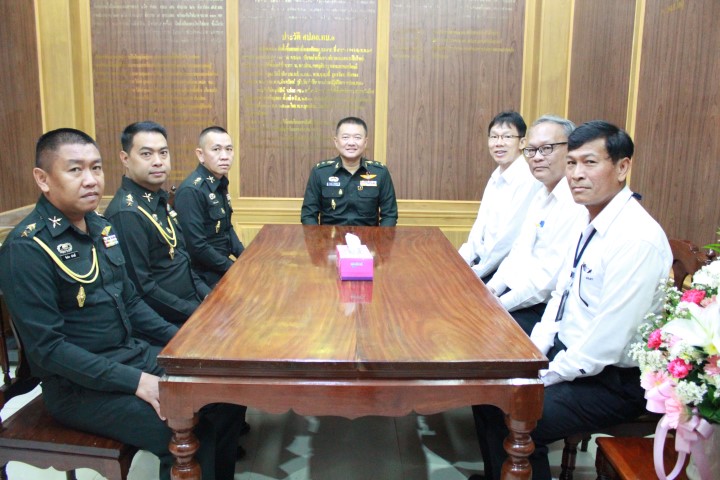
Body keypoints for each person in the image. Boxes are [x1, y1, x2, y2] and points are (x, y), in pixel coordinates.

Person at [0, 128, 245, 480]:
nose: (90, 180)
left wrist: (182, 340)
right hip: (78, 387)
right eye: (75, 169)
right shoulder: (27, 248)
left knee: (223, 394)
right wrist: (137, 382)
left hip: (131, 354)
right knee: (187, 428)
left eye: (96, 168)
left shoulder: (100, 228)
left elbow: (131, 302)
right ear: (43, 178)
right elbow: (48, 350)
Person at [470, 121, 672, 480]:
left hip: (612, 381)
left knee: (516, 414)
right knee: (489, 395)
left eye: (590, 163)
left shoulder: (635, 239)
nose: (577, 174)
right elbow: (559, 297)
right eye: (572, 163)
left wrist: (545, 377)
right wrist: (535, 354)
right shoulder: (590, 220)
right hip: (573, 354)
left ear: (622, 167)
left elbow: (605, 344)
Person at [485, 115, 586, 335]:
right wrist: (492, 289)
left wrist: (498, 305)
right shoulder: (541, 193)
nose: (537, 157)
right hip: (517, 295)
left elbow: (546, 282)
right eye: (531, 150)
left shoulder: (575, 202)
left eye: (547, 149)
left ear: (571, 151)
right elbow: (518, 252)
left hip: (542, 307)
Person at [104, 121, 211, 325]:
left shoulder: (159, 200)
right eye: (146, 154)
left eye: (163, 153)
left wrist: (209, 298)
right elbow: (143, 290)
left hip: (190, 305)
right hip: (167, 319)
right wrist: (200, 313)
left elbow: (183, 263)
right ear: (125, 159)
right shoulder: (127, 213)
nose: (158, 162)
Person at [458, 111, 542, 283]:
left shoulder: (527, 179)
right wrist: (459, 263)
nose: (499, 143)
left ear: (522, 142)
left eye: (507, 137)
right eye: (494, 137)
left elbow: (507, 240)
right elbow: (479, 227)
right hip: (482, 266)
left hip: (503, 273)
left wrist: (475, 273)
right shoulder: (496, 177)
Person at [174, 126, 244, 288]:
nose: (224, 156)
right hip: (203, 274)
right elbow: (197, 247)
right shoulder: (191, 190)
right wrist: (233, 268)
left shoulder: (219, 183)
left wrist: (245, 258)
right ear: (200, 155)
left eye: (229, 149)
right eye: (216, 149)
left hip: (221, 266)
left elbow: (227, 229)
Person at [301, 116, 398, 226]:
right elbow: (308, 215)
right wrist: (318, 237)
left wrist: (381, 237)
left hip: (368, 236)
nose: (351, 143)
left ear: (365, 142)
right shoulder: (320, 172)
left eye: (357, 137)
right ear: (336, 141)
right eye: (345, 137)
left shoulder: (380, 173)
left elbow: (389, 215)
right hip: (330, 236)